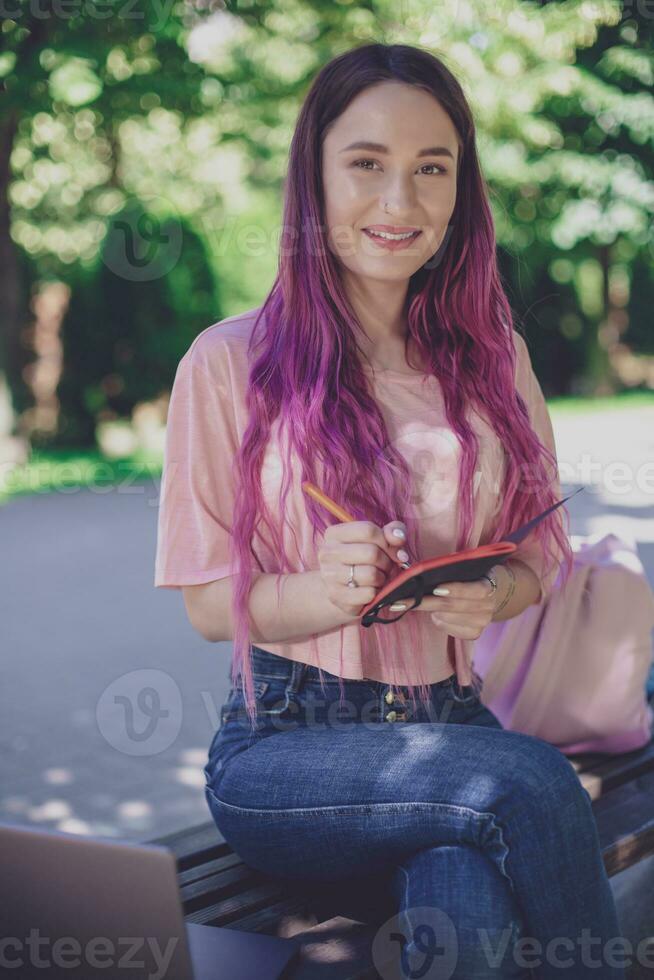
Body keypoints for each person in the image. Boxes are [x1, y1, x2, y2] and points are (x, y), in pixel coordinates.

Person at [154, 43, 627, 980]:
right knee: (530, 784)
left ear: (461, 192)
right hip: (288, 747)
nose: (400, 204)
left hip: (449, 724)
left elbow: (542, 550)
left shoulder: (494, 360)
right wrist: (327, 590)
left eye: (432, 169)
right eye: (366, 164)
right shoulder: (226, 363)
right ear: (314, 178)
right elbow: (211, 607)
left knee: (470, 910)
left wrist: (497, 594)